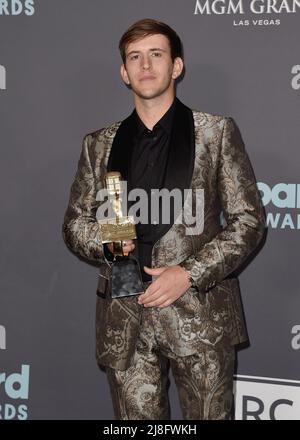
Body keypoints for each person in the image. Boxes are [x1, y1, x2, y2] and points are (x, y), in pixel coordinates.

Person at [62, 18, 266, 420]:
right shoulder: (98, 145)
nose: (145, 66)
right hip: (126, 319)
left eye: (156, 55)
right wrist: (109, 241)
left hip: (200, 317)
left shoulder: (216, 132)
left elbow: (248, 220)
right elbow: (74, 223)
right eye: (134, 58)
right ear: (124, 72)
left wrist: (187, 273)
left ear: (176, 66)